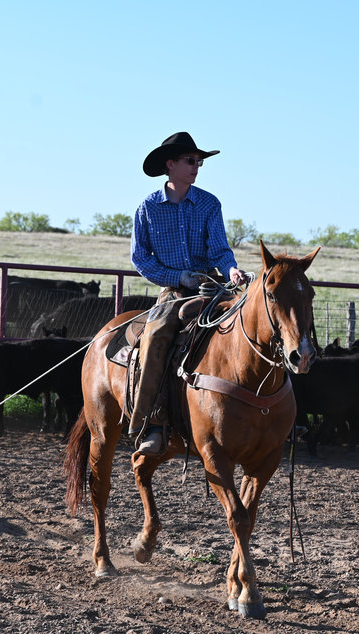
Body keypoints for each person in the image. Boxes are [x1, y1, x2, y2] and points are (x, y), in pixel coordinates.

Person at [128, 131, 246, 457]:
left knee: (254, 326)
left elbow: (220, 249)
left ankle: (263, 415)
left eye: (199, 162)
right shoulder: (147, 209)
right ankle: (153, 423)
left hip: (212, 286)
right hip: (174, 292)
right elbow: (141, 259)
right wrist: (177, 276)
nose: (197, 166)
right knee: (155, 337)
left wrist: (231, 270)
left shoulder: (209, 203)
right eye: (191, 160)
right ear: (171, 164)